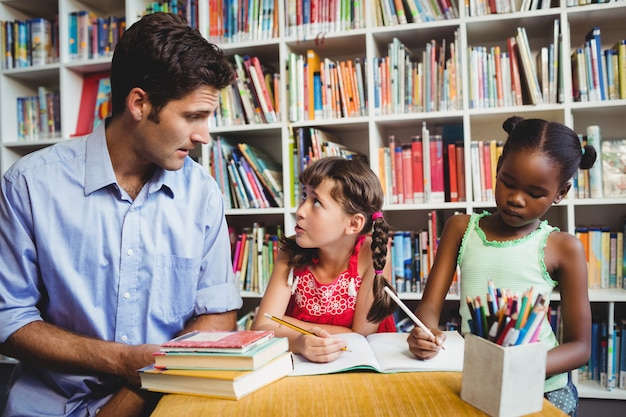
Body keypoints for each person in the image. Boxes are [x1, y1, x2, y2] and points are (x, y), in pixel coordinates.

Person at [0, 13, 242, 417]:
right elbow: (8, 320)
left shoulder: (203, 193)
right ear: (139, 103)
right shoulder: (28, 184)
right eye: (192, 116)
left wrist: (135, 391)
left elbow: (217, 313)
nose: (204, 136)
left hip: (162, 403)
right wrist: (119, 361)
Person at [407, 116, 594, 416]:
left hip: (544, 386)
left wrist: (518, 367)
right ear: (497, 169)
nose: (516, 200)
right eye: (508, 183)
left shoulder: (564, 248)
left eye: (534, 194)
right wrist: (425, 332)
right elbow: (429, 307)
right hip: (477, 376)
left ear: (561, 193)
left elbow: (580, 346)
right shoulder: (459, 228)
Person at [252, 156, 397, 363]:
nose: (300, 211)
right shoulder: (290, 251)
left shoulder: (373, 254)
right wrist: (300, 342)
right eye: (304, 196)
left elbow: (361, 336)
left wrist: (284, 324)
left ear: (354, 224)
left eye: (316, 202)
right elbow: (263, 326)